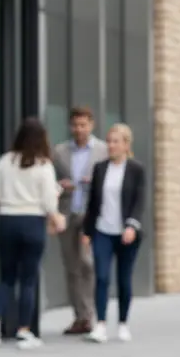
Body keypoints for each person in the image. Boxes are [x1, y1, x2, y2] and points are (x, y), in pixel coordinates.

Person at [0, 117, 65, 349]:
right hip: (32, 222)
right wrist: (56, 214)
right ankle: (24, 330)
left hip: (7, 220)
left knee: (6, 277)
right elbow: (49, 201)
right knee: (28, 279)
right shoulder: (44, 165)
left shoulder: (5, 161)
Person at [80, 123, 147, 343]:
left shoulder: (136, 169)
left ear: (126, 144)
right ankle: (100, 325)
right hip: (102, 231)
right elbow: (92, 203)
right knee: (101, 277)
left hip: (126, 233)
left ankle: (123, 323)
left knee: (124, 279)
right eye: (108, 141)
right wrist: (87, 231)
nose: (110, 145)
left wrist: (131, 225)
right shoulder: (100, 169)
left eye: (115, 141)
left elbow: (139, 202)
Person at [51, 106, 108, 335]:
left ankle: (89, 314)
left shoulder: (103, 150)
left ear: (91, 125)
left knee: (87, 264)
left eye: (83, 125)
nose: (79, 129)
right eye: (75, 125)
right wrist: (61, 186)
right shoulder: (60, 152)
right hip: (67, 213)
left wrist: (93, 182)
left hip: (90, 214)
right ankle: (79, 316)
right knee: (71, 266)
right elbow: (50, 183)